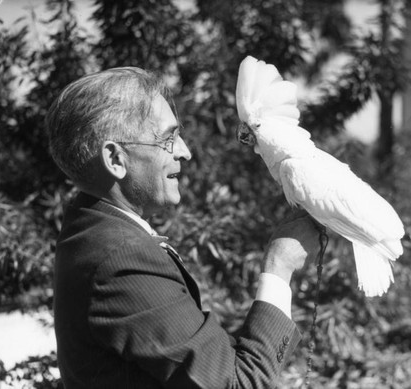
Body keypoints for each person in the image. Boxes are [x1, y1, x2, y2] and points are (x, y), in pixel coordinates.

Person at [46, 67, 321, 389]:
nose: (185, 151)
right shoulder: (122, 260)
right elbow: (240, 383)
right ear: (115, 159)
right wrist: (280, 265)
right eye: (168, 138)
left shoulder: (88, 229)